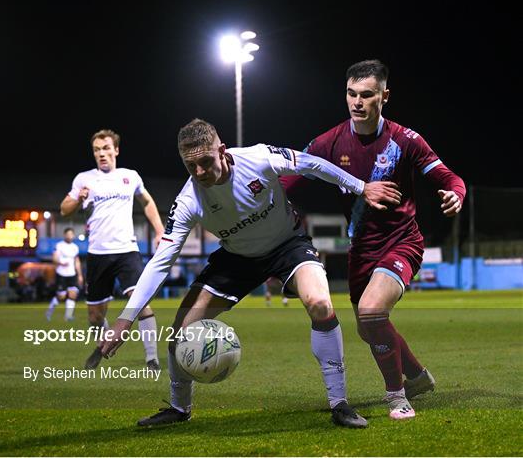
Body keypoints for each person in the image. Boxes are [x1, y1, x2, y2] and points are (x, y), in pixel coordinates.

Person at [101, 118, 402, 429]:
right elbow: (161, 261)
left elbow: (312, 164)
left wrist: (361, 187)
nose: (200, 173)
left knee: (321, 304)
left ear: (222, 151)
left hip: (288, 244)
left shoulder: (259, 158)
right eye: (192, 167)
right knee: (181, 331)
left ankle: (339, 403)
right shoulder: (189, 200)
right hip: (237, 258)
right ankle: (179, 408)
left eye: (206, 162)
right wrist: (126, 318)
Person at [282, 60, 466, 420]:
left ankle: (397, 396)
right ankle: (416, 375)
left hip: (402, 241)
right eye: (351, 94)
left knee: (371, 311)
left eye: (367, 95)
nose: (357, 102)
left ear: (385, 96)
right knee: (369, 330)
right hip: (360, 250)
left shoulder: (405, 140)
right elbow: (290, 176)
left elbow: (447, 176)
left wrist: (455, 194)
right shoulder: (329, 142)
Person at [60, 129, 165, 372]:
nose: (102, 154)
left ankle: (152, 359)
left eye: (106, 148)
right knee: (95, 317)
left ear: (116, 150)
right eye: (97, 150)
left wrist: (160, 231)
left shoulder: (130, 176)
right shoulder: (84, 179)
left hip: (127, 251)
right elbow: (65, 209)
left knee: (141, 304)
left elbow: (147, 201)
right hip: (97, 254)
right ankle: (105, 342)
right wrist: (78, 199)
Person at [45, 227, 83, 321]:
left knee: (73, 294)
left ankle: (68, 316)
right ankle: (49, 311)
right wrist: (60, 263)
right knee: (61, 296)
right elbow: (54, 258)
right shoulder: (59, 245)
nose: (70, 236)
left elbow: (77, 261)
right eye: (68, 234)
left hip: (72, 274)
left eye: (71, 234)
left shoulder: (75, 247)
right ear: (65, 235)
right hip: (61, 273)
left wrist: (80, 275)